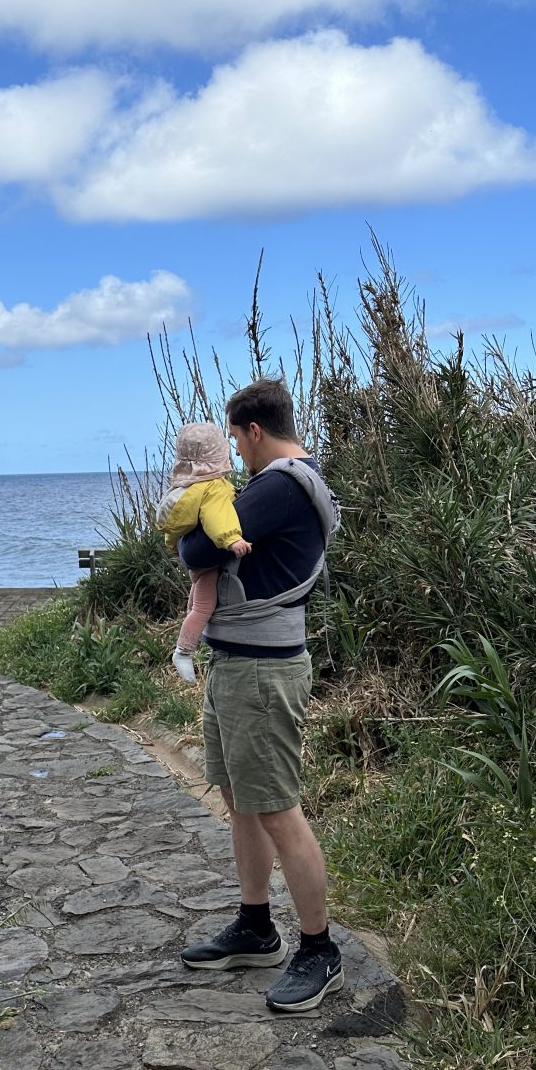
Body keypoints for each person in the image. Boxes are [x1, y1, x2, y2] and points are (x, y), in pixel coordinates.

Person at [177, 377, 343, 1013]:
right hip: (239, 663)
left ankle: (319, 949)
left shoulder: (278, 485)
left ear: (251, 431)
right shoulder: (290, 483)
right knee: (242, 801)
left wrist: (197, 529)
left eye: (239, 445)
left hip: (263, 672)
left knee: (275, 806)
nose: (238, 461)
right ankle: (255, 927)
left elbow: (195, 544)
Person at [154, 422, 252, 683]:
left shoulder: (187, 487)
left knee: (197, 598)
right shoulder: (214, 487)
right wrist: (232, 540)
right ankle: (183, 651)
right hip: (208, 564)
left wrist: (172, 545)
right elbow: (216, 516)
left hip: (194, 562)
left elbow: (176, 524)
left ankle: (189, 625)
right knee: (204, 606)